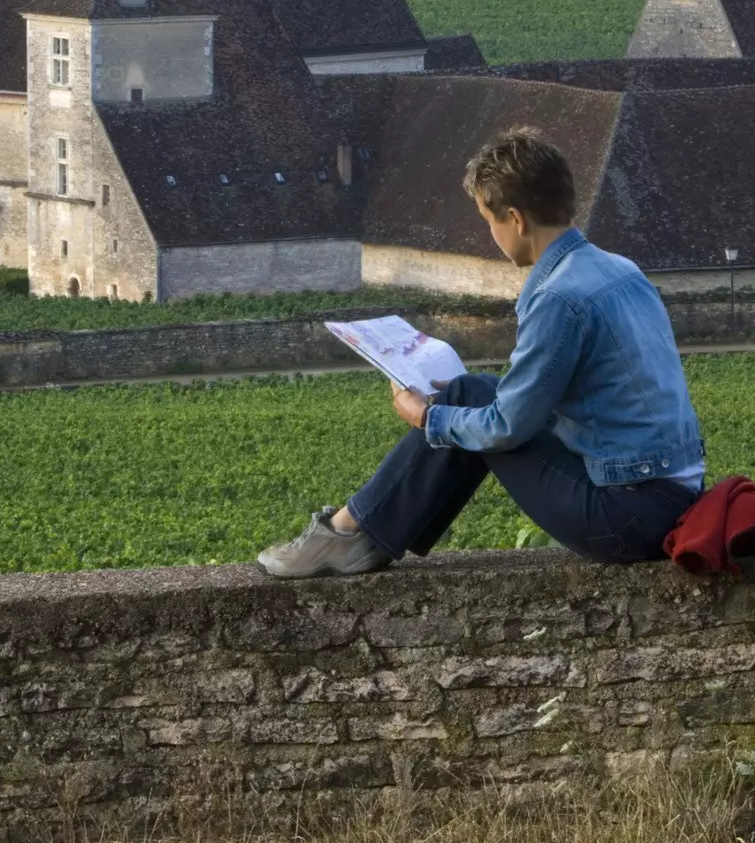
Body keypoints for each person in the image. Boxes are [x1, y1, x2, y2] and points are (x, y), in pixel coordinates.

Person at [258, 128, 705, 578]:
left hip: (627, 518)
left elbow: (508, 428)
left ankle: (343, 534)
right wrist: (453, 408)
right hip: (669, 495)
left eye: (488, 221)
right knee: (470, 390)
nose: (491, 234)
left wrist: (427, 418)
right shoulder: (620, 269)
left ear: (515, 219)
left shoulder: (558, 297)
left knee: (463, 406)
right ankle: (357, 536)